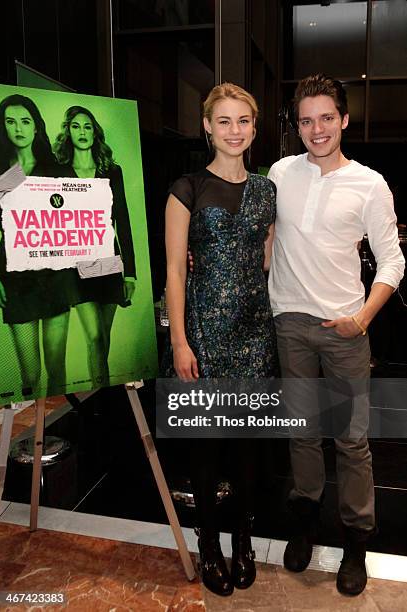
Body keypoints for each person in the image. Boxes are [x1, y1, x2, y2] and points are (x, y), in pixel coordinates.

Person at [267, 74, 405, 596]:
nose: (317, 129)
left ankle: (355, 543)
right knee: (302, 433)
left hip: (346, 328)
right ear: (296, 126)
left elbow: (393, 261)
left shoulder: (370, 183)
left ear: (344, 120)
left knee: (351, 441)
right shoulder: (280, 172)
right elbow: (270, 237)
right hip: (291, 327)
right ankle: (304, 523)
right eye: (306, 120)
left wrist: (362, 319)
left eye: (327, 118)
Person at [163, 83, 278, 596]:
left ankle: (243, 542)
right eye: (225, 121)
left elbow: (269, 258)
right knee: (207, 447)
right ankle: (209, 543)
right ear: (207, 126)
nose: (235, 131)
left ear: (254, 127)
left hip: (256, 330)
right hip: (205, 331)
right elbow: (173, 272)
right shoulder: (186, 188)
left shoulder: (267, 190)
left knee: (247, 447)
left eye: (244, 121)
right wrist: (181, 343)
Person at [54, 106, 136, 388]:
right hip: (73, 264)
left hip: (107, 261)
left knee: (104, 339)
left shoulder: (111, 171)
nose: (82, 132)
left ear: (95, 132)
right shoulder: (57, 169)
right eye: (76, 126)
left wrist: (131, 273)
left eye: (87, 126)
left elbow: (122, 222)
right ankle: (100, 399)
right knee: (95, 336)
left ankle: (100, 396)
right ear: (68, 132)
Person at [0, 94, 72, 397]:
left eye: (25, 121)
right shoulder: (2, 173)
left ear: (36, 127)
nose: (19, 128)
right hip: (15, 278)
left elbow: (76, 223)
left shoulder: (55, 169)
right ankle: (35, 436)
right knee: (30, 374)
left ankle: (60, 428)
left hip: (55, 275)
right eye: (10, 121)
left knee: (57, 368)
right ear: (2, 127)